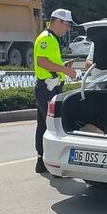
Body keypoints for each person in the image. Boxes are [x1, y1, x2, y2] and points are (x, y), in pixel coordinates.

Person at [34, 9, 79, 173]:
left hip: (49, 86)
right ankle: (52, 162)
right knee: (53, 125)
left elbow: (48, 62)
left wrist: (62, 67)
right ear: (58, 21)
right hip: (48, 87)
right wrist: (65, 70)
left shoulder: (52, 38)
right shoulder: (47, 39)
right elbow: (42, 62)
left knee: (44, 124)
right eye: (66, 25)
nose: (67, 29)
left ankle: (42, 160)